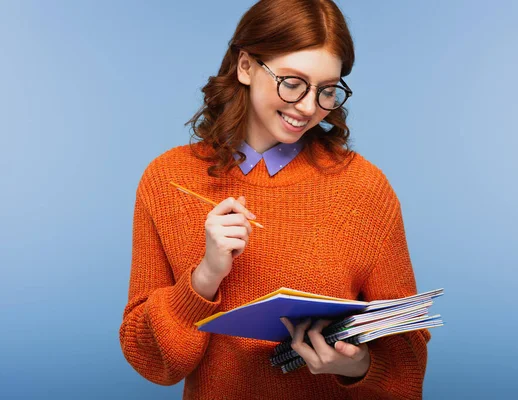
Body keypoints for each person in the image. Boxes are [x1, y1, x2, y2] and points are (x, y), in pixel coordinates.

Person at [119, 0, 431, 398]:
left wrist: (355, 365)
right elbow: (152, 363)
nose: (307, 106)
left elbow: (408, 372)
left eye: (327, 91)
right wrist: (205, 277)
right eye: (292, 82)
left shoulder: (364, 187)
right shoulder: (168, 180)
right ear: (246, 66)